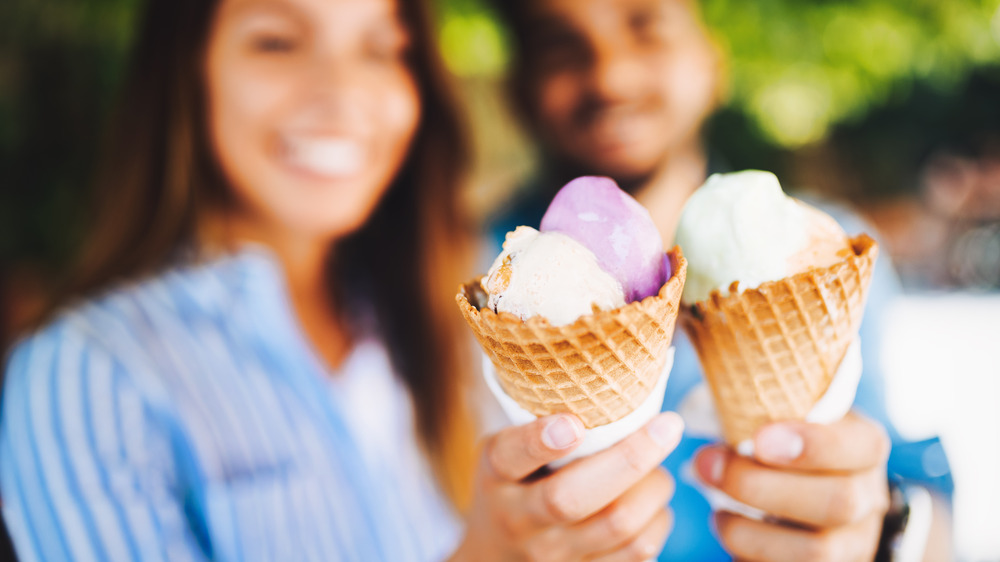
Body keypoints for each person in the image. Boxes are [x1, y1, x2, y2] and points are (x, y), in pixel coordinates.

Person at [0, 0, 688, 560]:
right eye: (277, 41)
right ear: (185, 70)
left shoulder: (462, 314)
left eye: (380, 48)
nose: (343, 93)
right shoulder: (84, 375)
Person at [487, 0, 954, 559]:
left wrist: (885, 529)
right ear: (518, 86)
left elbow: (926, 502)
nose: (611, 75)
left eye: (647, 26)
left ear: (711, 59)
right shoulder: (468, 278)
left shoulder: (823, 252)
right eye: (559, 45)